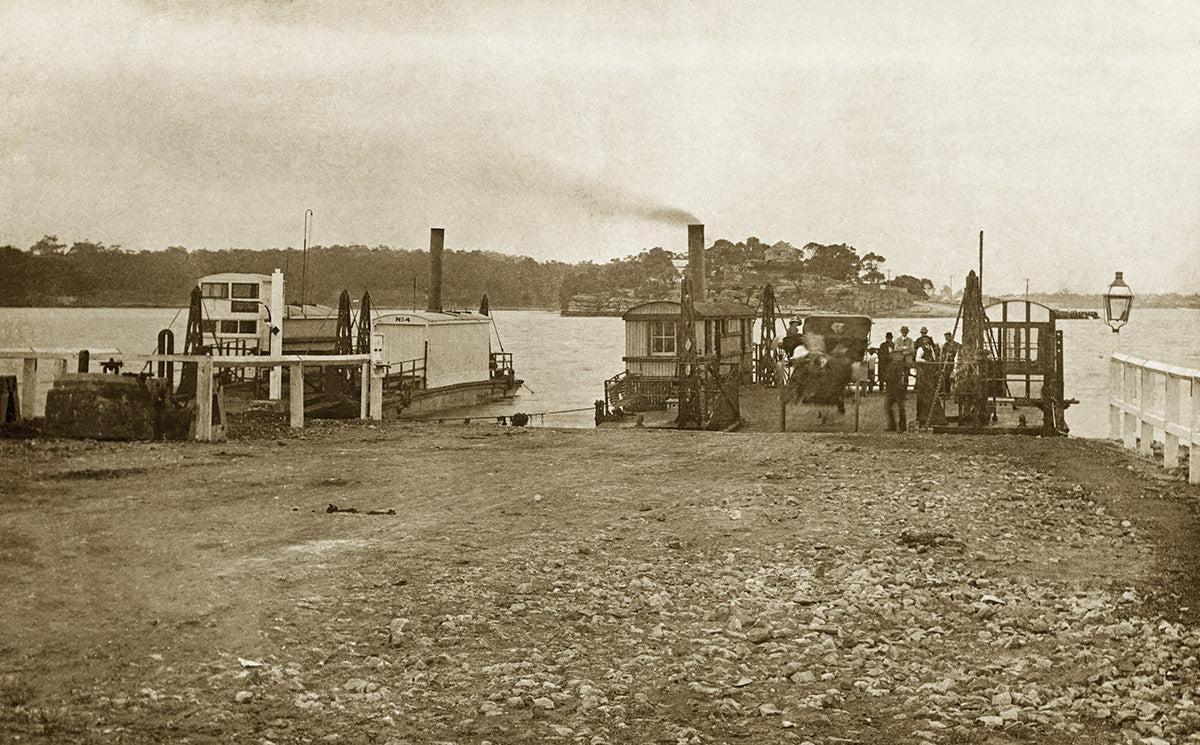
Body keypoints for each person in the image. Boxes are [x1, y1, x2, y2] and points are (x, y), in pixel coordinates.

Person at [882, 350, 908, 432]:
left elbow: (893, 377)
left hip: (897, 388)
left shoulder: (899, 366)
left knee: (900, 407)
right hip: (892, 388)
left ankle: (901, 426)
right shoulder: (893, 365)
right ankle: (893, 425)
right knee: (889, 407)